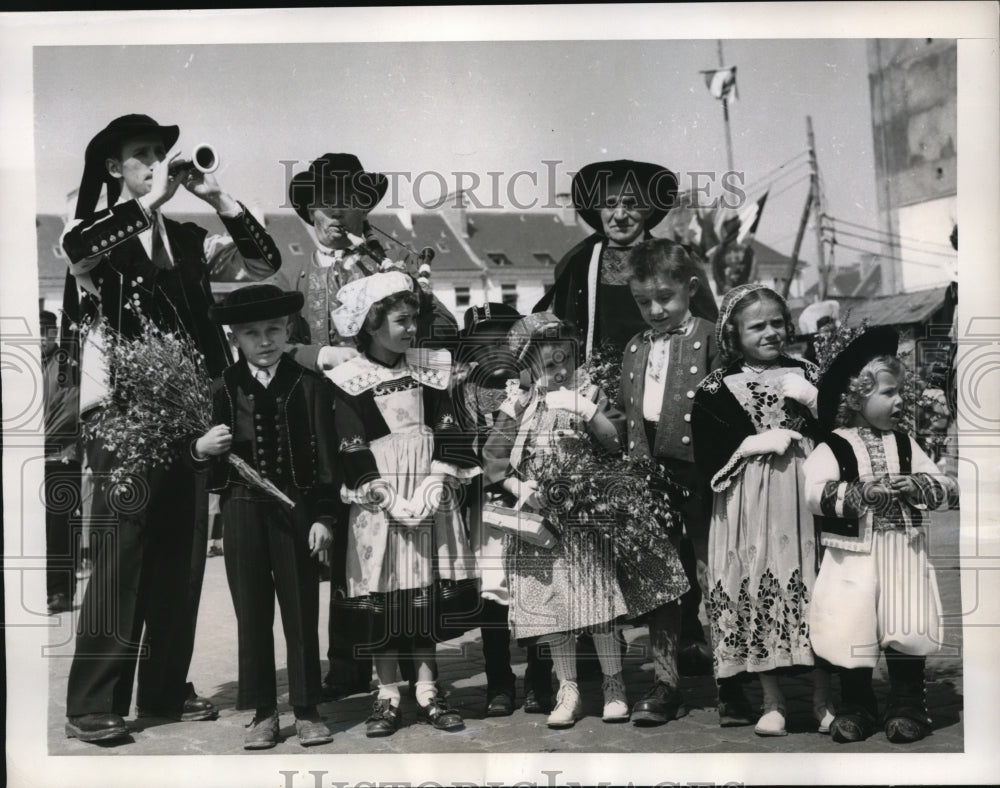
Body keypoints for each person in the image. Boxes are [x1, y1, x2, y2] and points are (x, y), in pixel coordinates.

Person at [60, 114, 281, 744]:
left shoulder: (188, 238)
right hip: (122, 418)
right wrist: (152, 200)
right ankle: (91, 704)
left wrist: (218, 198)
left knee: (181, 561)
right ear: (114, 168)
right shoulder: (91, 234)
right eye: (142, 155)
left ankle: (162, 692)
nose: (157, 162)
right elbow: (80, 252)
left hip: (191, 416)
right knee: (120, 557)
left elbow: (263, 262)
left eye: (162, 153)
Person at [286, 152, 458, 698]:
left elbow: (436, 325)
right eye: (326, 201)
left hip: (389, 412)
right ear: (310, 210)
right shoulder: (300, 270)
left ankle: (410, 662)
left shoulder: (387, 262)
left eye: (351, 201)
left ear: (365, 209)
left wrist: (397, 282)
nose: (338, 212)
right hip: (325, 407)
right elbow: (282, 343)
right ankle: (345, 660)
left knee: (397, 535)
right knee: (342, 530)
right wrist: (319, 356)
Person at [327, 272, 479, 738]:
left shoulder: (430, 367)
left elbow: (450, 425)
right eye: (400, 320)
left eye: (414, 319)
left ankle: (429, 689)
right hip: (381, 504)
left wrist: (435, 485)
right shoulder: (350, 379)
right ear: (371, 324)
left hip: (430, 495)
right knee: (385, 596)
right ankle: (388, 690)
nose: (411, 328)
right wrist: (387, 497)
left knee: (423, 591)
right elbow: (351, 447)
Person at [196, 284, 337, 749]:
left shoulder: (309, 385)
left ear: (288, 329)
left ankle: (308, 709)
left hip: (297, 510)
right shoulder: (221, 387)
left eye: (273, 329)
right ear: (236, 337)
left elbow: (325, 459)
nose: (265, 340)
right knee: (251, 611)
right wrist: (203, 450)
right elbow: (204, 463)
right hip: (242, 510)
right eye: (252, 332)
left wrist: (323, 517)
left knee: (300, 609)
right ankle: (262, 711)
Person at [804, 326, 959, 744]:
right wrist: (859, 492)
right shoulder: (833, 447)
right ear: (856, 397)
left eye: (899, 392)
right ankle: (856, 704)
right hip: (851, 555)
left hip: (901, 550)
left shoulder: (906, 444)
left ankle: (907, 703)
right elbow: (814, 494)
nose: (899, 401)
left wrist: (921, 486)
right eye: (888, 393)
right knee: (851, 624)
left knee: (905, 622)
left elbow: (945, 484)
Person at [691, 284, 833, 736]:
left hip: (806, 496)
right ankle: (772, 700)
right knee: (756, 584)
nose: (770, 333)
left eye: (777, 323)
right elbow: (707, 456)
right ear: (733, 333)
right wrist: (749, 444)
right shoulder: (714, 387)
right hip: (746, 500)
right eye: (757, 326)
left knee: (814, 586)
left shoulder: (809, 371)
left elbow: (842, 428)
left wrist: (817, 399)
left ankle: (822, 698)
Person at [483, 312, 632, 729]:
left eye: (566, 358)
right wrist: (519, 490)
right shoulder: (518, 404)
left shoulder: (588, 393)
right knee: (554, 609)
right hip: (540, 524)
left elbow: (615, 444)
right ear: (528, 367)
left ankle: (614, 683)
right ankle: (567, 688)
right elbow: (494, 462)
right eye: (549, 364)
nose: (561, 369)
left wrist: (588, 411)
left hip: (586, 519)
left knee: (596, 602)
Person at [618, 239, 722, 725]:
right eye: (644, 301)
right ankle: (666, 682)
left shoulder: (712, 337)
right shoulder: (635, 347)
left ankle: (733, 678)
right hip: (651, 475)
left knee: (712, 570)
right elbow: (630, 414)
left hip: (702, 473)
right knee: (663, 580)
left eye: (665, 297)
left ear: (690, 289)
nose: (656, 310)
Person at [452, 303, 556, 716]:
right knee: (492, 597)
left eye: (501, 339)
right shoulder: (460, 393)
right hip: (487, 507)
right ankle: (499, 679)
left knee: (539, 592)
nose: (491, 348)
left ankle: (539, 676)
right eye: (481, 342)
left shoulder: (534, 388)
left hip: (534, 502)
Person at [534, 158, 717, 361]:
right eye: (610, 204)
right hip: (597, 384)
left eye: (631, 204)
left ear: (648, 209)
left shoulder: (678, 257)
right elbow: (565, 336)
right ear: (597, 209)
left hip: (666, 375)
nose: (620, 215)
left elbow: (709, 328)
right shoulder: (579, 264)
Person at [40, 310, 81, 615]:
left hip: (60, 458)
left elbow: (70, 411)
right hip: (28, 459)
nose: (43, 337)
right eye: (38, 330)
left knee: (60, 530)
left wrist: (33, 439)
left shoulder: (67, 362)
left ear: (55, 333)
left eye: (48, 331)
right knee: (31, 529)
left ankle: (60, 592)